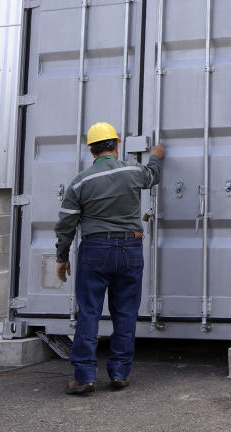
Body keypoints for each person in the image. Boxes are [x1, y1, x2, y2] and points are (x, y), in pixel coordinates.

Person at [55, 121, 164, 395]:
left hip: (95, 251)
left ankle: (84, 377)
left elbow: (66, 223)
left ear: (91, 151)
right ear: (116, 146)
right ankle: (119, 374)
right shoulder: (132, 171)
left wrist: (62, 256)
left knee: (89, 313)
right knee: (125, 314)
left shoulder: (80, 181)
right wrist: (156, 156)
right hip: (130, 249)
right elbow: (152, 177)